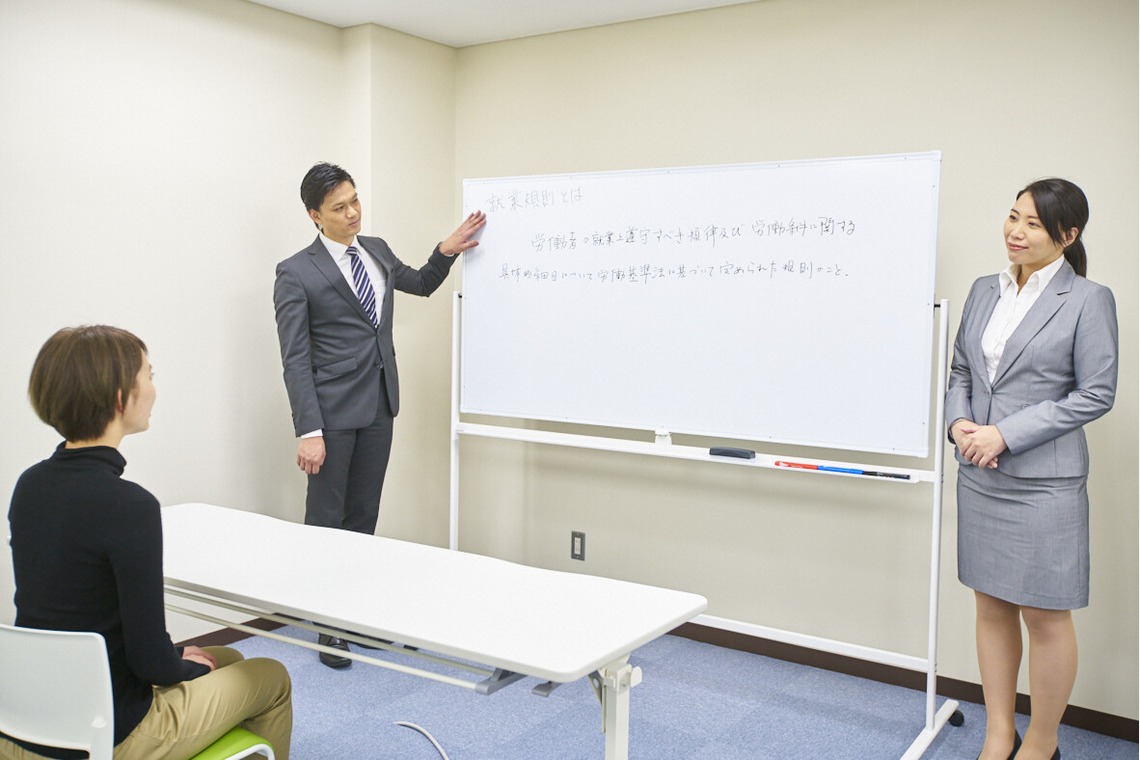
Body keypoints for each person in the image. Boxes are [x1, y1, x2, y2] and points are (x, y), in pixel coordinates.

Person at [2, 326, 292, 760]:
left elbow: (89, 618)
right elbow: (149, 662)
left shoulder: (30, 485)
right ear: (122, 397)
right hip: (110, 736)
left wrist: (182, 659)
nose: (154, 390)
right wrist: (180, 663)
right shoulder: (129, 505)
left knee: (226, 658)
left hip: (27, 723)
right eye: (149, 376)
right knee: (270, 676)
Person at [273, 162, 485, 668]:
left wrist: (446, 250)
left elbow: (421, 283)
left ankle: (359, 618)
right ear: (314, 216)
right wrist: (309, 430)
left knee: (363, 517)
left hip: (379, 406)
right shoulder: (295, 271)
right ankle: (327, 630)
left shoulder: (376, 249)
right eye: (339, 208)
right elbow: (295, 358)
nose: (352, 213)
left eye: (354, 200)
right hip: (329, 414)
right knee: (326, 523)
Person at [946, 178, 1117, 760]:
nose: (1015, 232)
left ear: (1068, 236)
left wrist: (1005, 435)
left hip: (1044, 484)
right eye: (1013, 216)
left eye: (1035, 224)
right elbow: (962, 372)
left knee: (1044, 615)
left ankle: (1042, 743)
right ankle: (1000, 731)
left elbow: (1096, 394)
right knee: (990, 605)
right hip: (981, 475)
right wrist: (958, 426)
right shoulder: (981, 289)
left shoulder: (1089, 300)